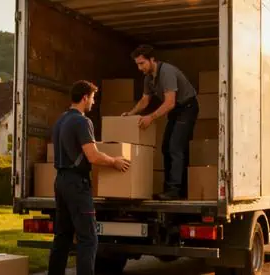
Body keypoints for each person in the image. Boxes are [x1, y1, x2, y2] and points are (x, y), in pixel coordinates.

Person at [48, 80, 131, 275]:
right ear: (85, 97)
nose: (93, 102)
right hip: (77, 184)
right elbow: (92, 155)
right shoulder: (82, 121)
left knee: (62, 236)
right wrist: (114, 161)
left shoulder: (60, 120)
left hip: (60, 181)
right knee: (88, 239)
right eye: (93, 98)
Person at [121, 44, 199, 200]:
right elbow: (144, 100)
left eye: (142, 63)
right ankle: (171, 188)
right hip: (176, 110)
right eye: (137, 64)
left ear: (152, 60)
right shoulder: (148, 78)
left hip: (187, 107)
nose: (139, 67)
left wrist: (150, 117)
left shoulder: (166, 73)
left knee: (175, 147)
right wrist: (130, 114)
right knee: (166, 147)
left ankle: (175, 190)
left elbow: (169, 102)